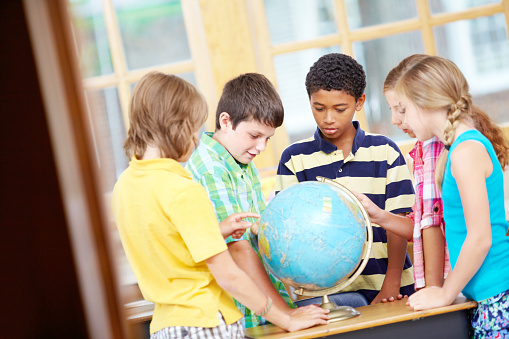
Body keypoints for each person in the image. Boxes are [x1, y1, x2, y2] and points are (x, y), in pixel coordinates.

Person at [112, 72, 330, 338]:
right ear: (175, 126)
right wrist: (285, 317)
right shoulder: (183, 190)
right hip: (207, 321)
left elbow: (167, 247)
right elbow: (228, 275)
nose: (196, 139)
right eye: (193, 129)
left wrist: (215, 231)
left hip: (165, 327)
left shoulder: (124, 186)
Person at [275, 53, 415, 305]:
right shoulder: (294, 159)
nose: (329, 118)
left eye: (340, 109)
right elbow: (288, 232)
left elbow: (400, 220)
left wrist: (391, 283)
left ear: (359, 102)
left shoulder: (385, 151)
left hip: (391, 289)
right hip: (327, 297)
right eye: (319, 108)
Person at [393, 56, 509, 337]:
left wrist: (446, 293)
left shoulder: (465, 150)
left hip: (497, 297)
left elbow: (480, 237)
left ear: (426, 104)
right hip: (486, 295)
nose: (401, 120)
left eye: (404, 109)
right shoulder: (456, 147)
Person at [185, 73, 300, 329]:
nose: (261, 147)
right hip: (244, 314)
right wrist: (287, 315)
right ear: (226, 121)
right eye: (254, 135)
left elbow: (259, 230)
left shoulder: (243, 161)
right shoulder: (210, 170)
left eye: (267, 138)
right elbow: (237, 249)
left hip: (267, 306)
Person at [355, 54, 451, 291]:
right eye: (392, 109)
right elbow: (419, 224)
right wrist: (377, 215)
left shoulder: (436, 147)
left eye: (401, 109)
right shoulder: (421, 148)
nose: (395, 120)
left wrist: (432, 290)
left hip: (449, 284)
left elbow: (432, 224)